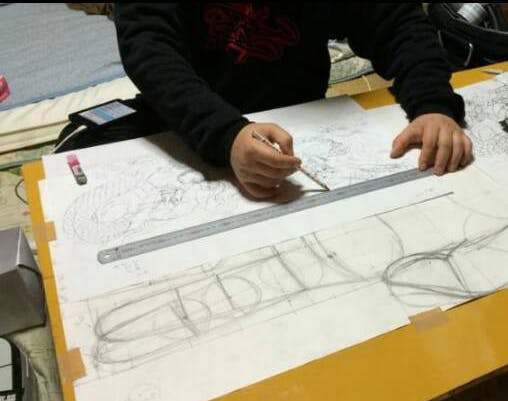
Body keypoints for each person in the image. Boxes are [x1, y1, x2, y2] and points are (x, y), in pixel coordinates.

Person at [114, 3, 473, 199]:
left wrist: (432, 105)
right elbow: (149, 50)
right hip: (187, 130)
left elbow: (397, 23)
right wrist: (226, 135)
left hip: (302, 133)